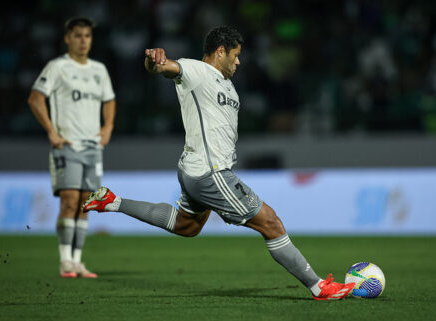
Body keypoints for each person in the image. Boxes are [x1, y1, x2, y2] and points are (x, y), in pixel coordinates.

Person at [82, 26, 353, 300]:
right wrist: (154, 61)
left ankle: (112, 201)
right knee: (271, 223)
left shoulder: (228, 86)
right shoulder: (197, 71)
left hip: (195, 168)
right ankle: (320, 287)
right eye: (235, 55)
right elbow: (164, 68)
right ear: (220, 52)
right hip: (210, 172)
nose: (239, 61)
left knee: (186, 226)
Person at [28, 17, 116, 278]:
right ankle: (65, 260)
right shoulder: (57, 67)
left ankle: (77, 261)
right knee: (69, 200)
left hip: (92, 146)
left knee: (85, 204)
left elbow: (109, 100)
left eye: (87, 36)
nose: (83, 41)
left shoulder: (99, 70)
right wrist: (51, 131)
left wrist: (108, 126)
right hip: (67, 145)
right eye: (77, 35)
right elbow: (35, 99)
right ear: (67, 38)